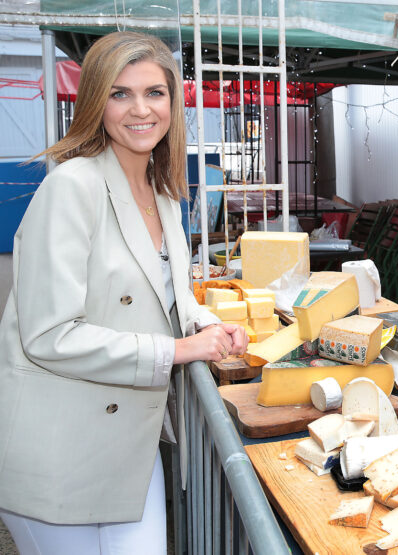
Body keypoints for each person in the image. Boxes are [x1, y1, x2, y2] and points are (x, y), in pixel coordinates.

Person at [0, 31, 247, 553]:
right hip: (61, 452)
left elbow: (161, 291)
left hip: (130, 449)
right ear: (95, 101)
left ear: (173, 104)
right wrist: (178, 350)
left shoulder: (163, 195)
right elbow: (49, 335)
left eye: (155, 93)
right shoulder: (71, 187)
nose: (141, 109)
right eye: (120, 93)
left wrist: (202, 322)